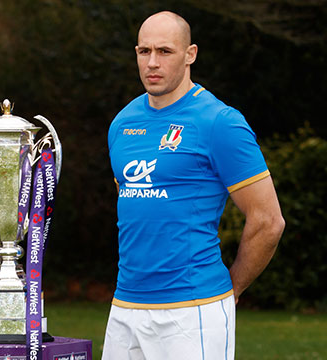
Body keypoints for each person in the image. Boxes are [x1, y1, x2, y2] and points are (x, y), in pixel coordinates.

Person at [103, 11, 285, 360]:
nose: (152, 63)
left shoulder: (220, 122)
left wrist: (231, 291)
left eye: (165, 51)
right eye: (144, 51)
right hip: (125, 305)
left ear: (191, 54)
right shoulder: (122, 123)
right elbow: (135, 207)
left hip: (192, 309)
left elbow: (268, 221)